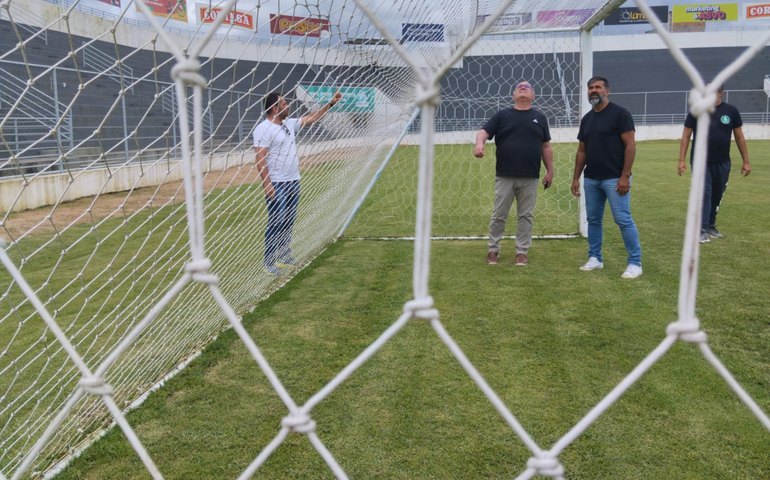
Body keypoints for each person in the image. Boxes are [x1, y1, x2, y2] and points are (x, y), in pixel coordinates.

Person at [254, 90, 342, 275]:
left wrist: (331, 104)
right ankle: (269, 262)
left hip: (294, 181)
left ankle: (284, 255)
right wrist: (267, 184)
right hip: (277, 184)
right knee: (276, 221)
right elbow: (260, 159)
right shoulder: (263, 129)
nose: (288, 106)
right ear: (274, 108)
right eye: (284, 104)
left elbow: (313, 118)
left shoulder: (289, 124)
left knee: (288, 221)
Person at [474, 80, 554, 267]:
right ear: (514, 95)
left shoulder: (540, 117)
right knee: (499, 214)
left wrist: (550, 170)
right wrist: (479, 144)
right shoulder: (502, 115)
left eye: (527, 87)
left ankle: (521, 252)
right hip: (505, 175)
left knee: (526, 216)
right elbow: (483, 132)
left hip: (530, 176)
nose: (523, 87)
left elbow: (546, 145)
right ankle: (493, 249)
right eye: (519, 87)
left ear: (533, 96)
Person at [571, 76, 642, 279]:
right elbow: (582, 151)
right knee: (593, 220)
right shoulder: (587, 119)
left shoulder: (620, 114)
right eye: (591, 88)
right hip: (592, 179)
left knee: (623, 219)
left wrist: (625, 176)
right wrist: (576, 178)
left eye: (598, 87)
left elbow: (631, 145)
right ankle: (595, 258)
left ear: (607, 91)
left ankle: (635, 263)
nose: (594, 90)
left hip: (615, 179)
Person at [677, 85, 751, 244]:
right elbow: (685, 136)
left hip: (723, 162)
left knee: (717, 195)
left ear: (721, 93)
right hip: (700, 162)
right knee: (705, 194)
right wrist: (682, 160)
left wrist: (746, 161)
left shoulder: (731, 111)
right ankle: (701, 230)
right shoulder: (697, 111)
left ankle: (710, 226)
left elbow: (739, 137)